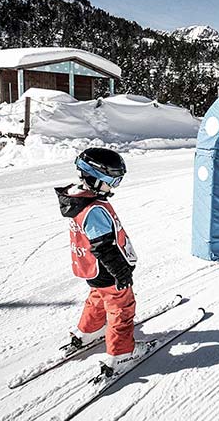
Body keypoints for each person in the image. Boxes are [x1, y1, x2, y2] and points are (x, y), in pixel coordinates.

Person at [55, 147, 146, 378]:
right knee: (121, 308)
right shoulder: (94, 209)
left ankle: (89, 331)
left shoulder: (77, 199)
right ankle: (121, 353)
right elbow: (103, 246)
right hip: (107, 269)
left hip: (91, 269)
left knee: (98, 298)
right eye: (112, 181)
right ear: (95, 178)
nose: (114, 187)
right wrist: (120, 273)